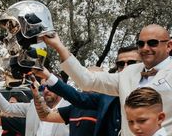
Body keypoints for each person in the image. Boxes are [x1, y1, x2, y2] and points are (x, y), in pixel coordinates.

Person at [42, 24, 172, 135]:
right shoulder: (129, 73)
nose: (145, 48)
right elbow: (88, 81)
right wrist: (58, 45)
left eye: (152, 43)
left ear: (169, 46)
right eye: (140, 44)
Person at [32, 46, 141, 136]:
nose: (126, 67)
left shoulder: (109, 103)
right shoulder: (78, 106)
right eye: (121, 64)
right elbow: (46, 116)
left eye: (131, 63)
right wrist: (37, 93)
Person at [0, 76, 70, 136]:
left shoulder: (71, 109)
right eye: (43, 87)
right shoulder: (33, 106)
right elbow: (7, 108)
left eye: (49, 87)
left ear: (59, 87)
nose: (46, 90)